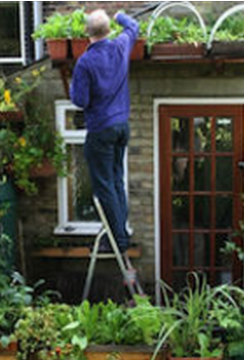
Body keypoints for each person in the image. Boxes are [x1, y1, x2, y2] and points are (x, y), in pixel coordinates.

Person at [70, 9, 138, 254]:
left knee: (104, 186)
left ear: (88, 33)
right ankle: (121, 232)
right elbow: (133, 27)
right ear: (109, 30)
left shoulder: (85, 63)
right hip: (122, 127)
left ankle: (117, 240)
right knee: (116, 180)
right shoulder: (120, 46)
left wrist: (73, 84)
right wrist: (120, 15)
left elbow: (80, 100)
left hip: (100, 130)